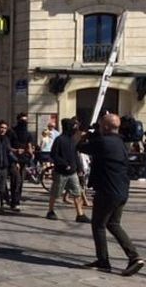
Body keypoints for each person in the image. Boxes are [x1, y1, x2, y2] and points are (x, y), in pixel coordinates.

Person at [79, 114, 143, 276]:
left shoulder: (102, 142)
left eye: (101, 125)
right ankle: (134, 257)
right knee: (113, 224)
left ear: (106, 127)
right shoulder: (120, 142)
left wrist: (85, 135)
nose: (99, 127)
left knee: (98, 225)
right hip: (121, 191)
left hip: (107, 191)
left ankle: (103, 261)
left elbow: (79, 146)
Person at [45, 118, 90, 223]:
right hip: (61, 172)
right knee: (55, 193)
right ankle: (50, 211)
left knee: (77, 193)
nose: (75, 128)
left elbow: (76, 155)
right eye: (73, 126)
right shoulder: (59, 140)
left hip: (72, 172)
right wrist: (64, 164)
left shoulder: (72, 140)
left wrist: (79, 168)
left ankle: (80, 214)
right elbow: (54, 155)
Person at [8, 112, 34, 211]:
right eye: (22, 120)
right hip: (13, 159)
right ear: (18, 120)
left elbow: (29, 145)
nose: (24, 122)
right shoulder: (11, 132)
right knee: (16, 180)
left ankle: (16, 200)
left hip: (24, 159)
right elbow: (8, 146)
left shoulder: (28, 133)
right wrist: (15, 151)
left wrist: (31, 153)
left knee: (20, 181)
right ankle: (14, 202)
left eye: (25, 120)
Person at [0, 120, 15, 209]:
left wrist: (15, 160)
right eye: (2, 127)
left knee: (2, 188)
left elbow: (9, 151)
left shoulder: (6, 139)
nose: (3, 130)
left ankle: (0, 204)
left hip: (4, 167)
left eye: (5, 128)